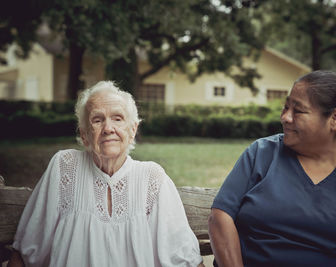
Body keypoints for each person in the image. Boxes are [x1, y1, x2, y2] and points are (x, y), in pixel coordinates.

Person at [208, 70, 336, 267]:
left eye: (297, 111)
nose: (285, 117)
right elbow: (220, 216)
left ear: (335, 117)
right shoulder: (262, 153)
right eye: (285, 107)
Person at [8, 81, 204, 267]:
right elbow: (26, 252)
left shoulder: (151, 177)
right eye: (97, 120)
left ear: (132, 129)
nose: (108, 128)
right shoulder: (65, 166)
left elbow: (185, 258)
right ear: (84, 134)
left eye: (117, 119)